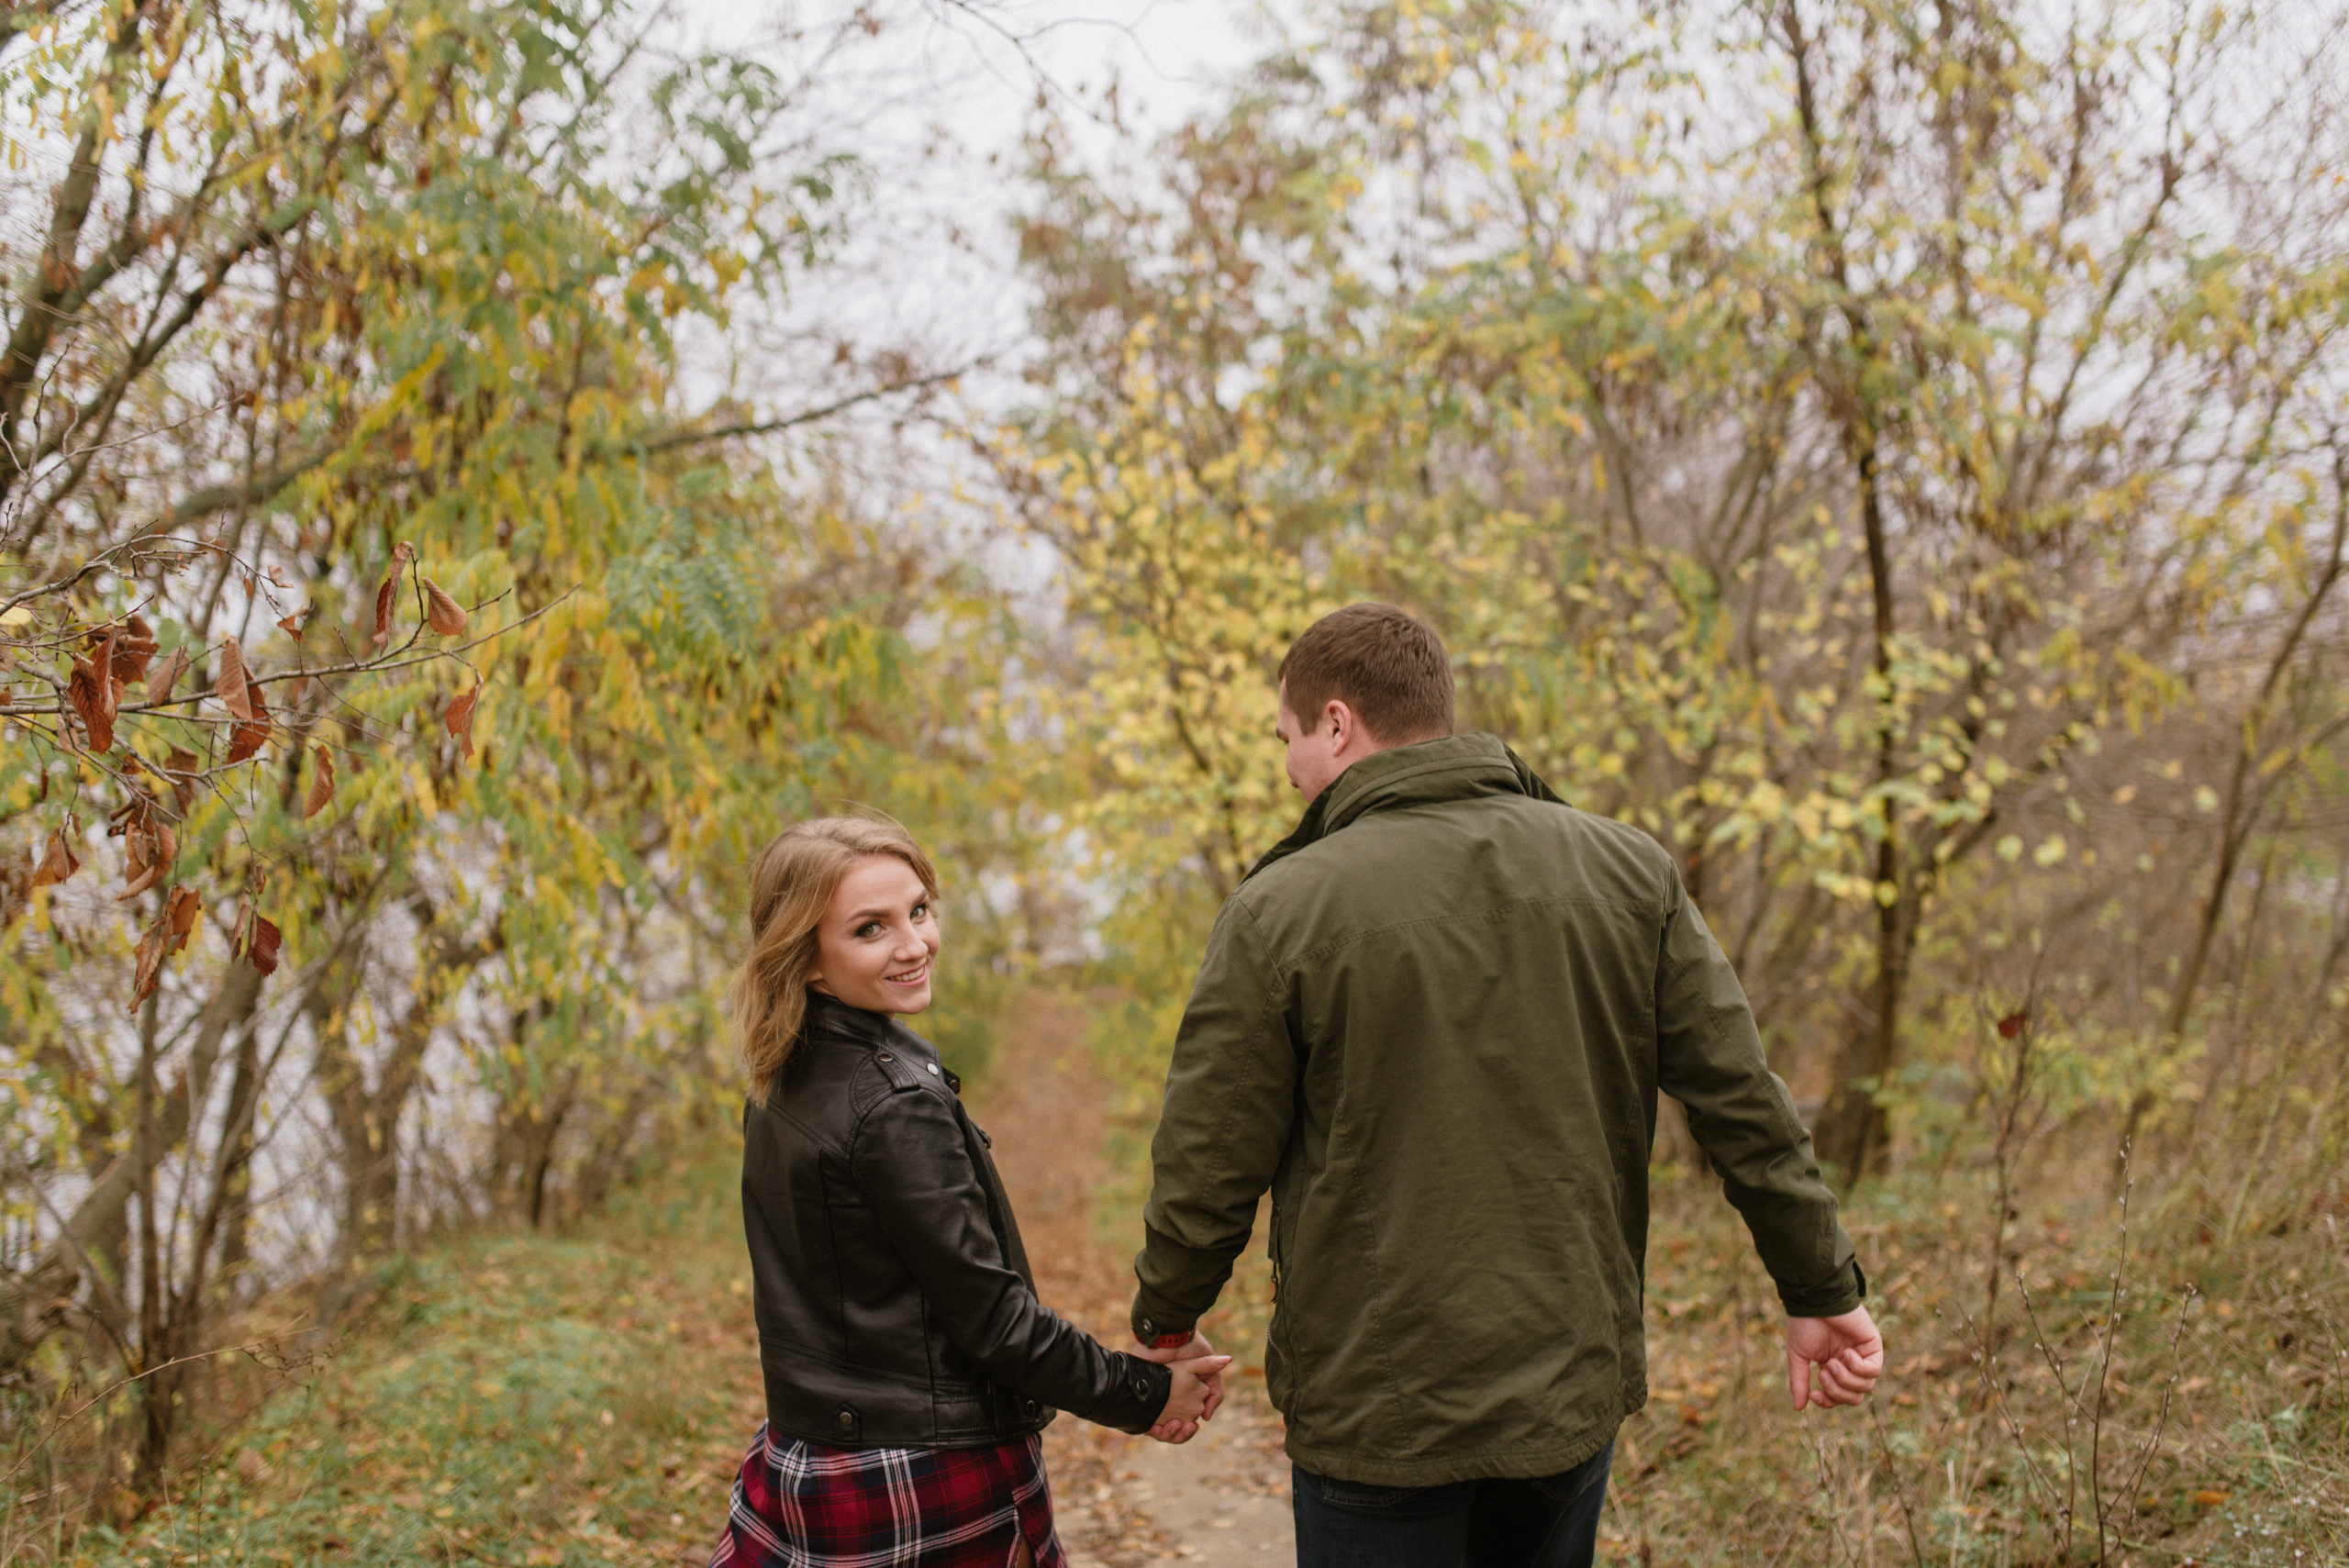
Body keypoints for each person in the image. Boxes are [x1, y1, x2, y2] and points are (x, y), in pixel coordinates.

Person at [1125, 604, 1885, 1567]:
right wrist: (1817, 1283)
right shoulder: (1629, 870)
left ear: (1336, 723)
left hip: (1378, 1406)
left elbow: (1210, 1154)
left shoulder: (1280, 908)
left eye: (1287, 739)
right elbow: (1743, 1101)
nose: (1288, 769)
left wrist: (1166, 1322)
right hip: (1564, 1393)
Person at [711, 815, 1229, 1568]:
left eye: (919, 910)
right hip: (919, 1476)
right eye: (870, 928)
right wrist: (1144, 1393)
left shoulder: (780, 1073)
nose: (915, 943)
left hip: (810, 1453)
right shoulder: (891, 1106)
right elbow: (999, 1325)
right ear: (808, 958)